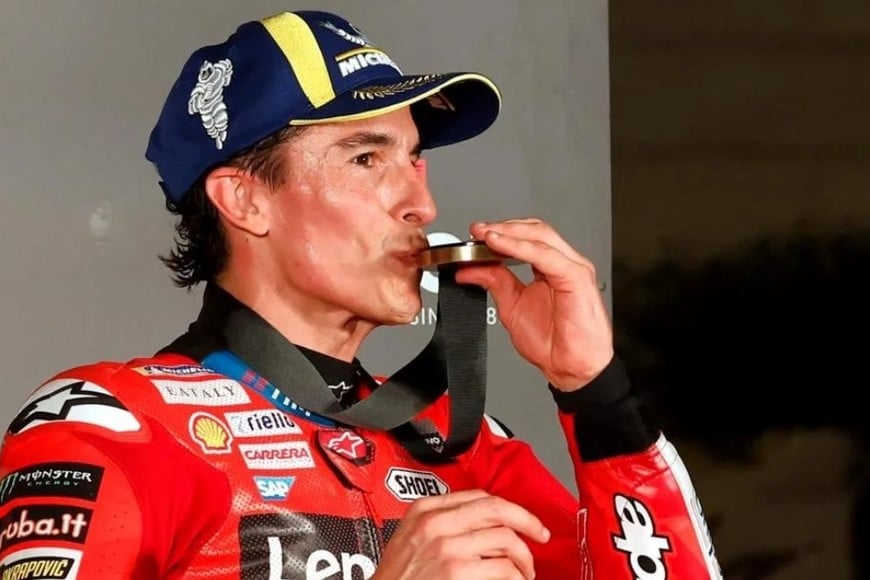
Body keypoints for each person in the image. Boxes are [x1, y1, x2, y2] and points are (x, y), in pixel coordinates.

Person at [0, 9, 722, 580]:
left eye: (415, 158)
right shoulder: (108, 427)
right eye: (367, 157)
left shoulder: (462, 445)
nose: (421, 205)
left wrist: (596, 394)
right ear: (245, 201)